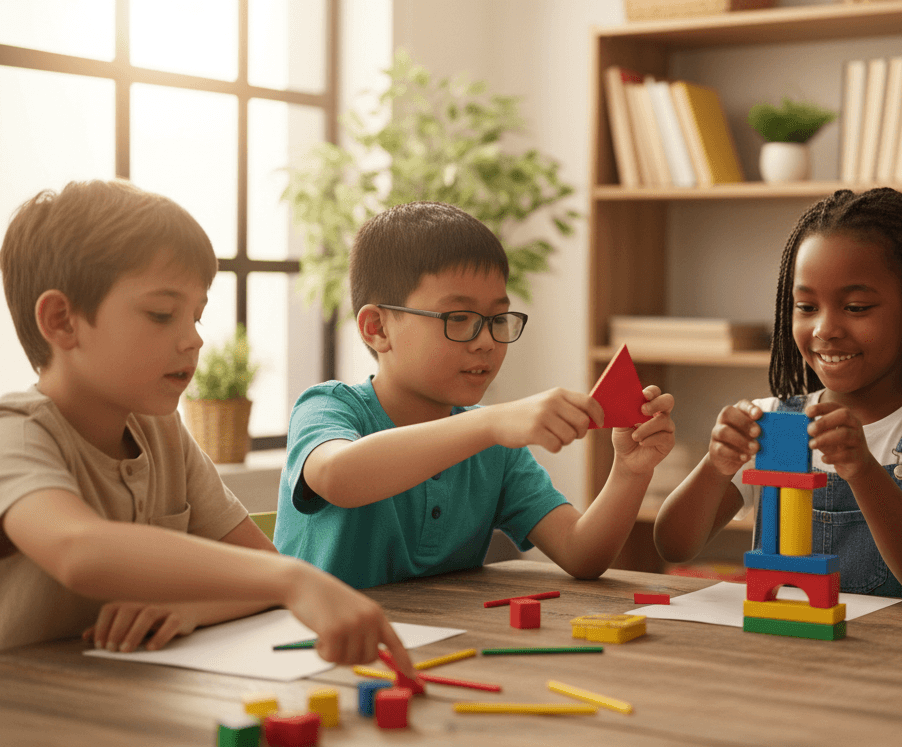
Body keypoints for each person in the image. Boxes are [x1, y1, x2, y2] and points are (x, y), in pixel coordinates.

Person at [0, 179, 414, 675]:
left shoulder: (162, 431)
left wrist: (192, 607)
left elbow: (261, 565)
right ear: (62, 321)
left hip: (118, 703)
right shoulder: (16, 436)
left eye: (196, 315)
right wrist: (294, 582)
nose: (193, 340)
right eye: (162, 313)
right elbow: (78, 549)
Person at [274, 201, 675, 588]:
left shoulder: (492, 447)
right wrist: (492, 422)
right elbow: (337, 476)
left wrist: (629, 472)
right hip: (319, 649)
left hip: (439, 650)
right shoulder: (327, 407)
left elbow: (581, 552)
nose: (486, 341)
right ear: (377, 328)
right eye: (459, 318)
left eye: (497, 319)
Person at [653, 188, 902, 604]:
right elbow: (674, 546)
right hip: (782, 646)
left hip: (892, 659)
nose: (825, 329)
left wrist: (863, 470)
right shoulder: (775, 424)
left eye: (855, 307)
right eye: (806, 306)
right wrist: (715, 466)